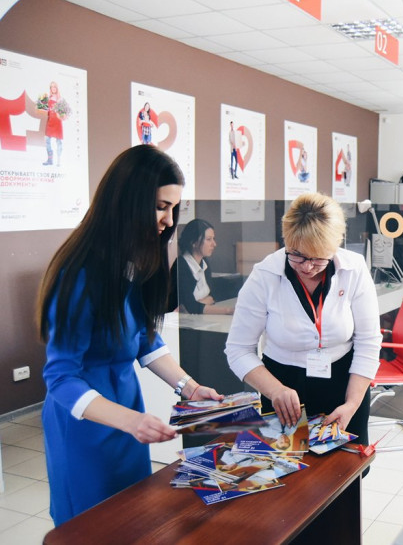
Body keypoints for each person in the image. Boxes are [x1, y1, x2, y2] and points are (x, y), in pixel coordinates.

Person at [35, 145, 223, 526]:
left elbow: (143, 340)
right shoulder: (79, 276)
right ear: (127, 202)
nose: (168, 221)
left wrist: (189, 388)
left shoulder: (134, 262)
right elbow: (60, 378)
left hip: (129, 420)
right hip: (87, 426)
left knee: (135, 519)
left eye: (174, 209)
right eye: (160, 207)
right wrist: (130, 421)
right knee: (91, 525)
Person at [225, 192, 381, 446]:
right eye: (297, 254)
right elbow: (238, 350)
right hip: (282, 388)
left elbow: (368, 341)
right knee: (287, 466)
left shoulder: (354, 269)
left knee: (345, 465)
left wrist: (352, 404)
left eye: (318, 257)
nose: (307, 267)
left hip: (344, 383)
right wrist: (275, 390)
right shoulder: (264, 275)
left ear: (334, 247)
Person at [169, 218, 233, 315]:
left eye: (213, 239)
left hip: (199, 318)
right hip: (184, 321)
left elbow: (211, 295)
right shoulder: (181, 266)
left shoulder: (204, 262)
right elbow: (189, 307)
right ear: (194, 242)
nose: (214, 244)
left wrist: (200, 303)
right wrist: (228, 311)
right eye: (209, 239)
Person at [41, 81, 68, 166]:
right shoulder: (48, 98)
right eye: (51, 87)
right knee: (47, 140)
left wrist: (61, 114)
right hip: (50, 122)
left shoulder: (60, 99)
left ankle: (59, 161)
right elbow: (44, 110)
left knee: (58, 142)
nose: (53, 88)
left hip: (57, 122)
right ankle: (50, 159)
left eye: (54, 86)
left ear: (57, 88)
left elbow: (64, 113)